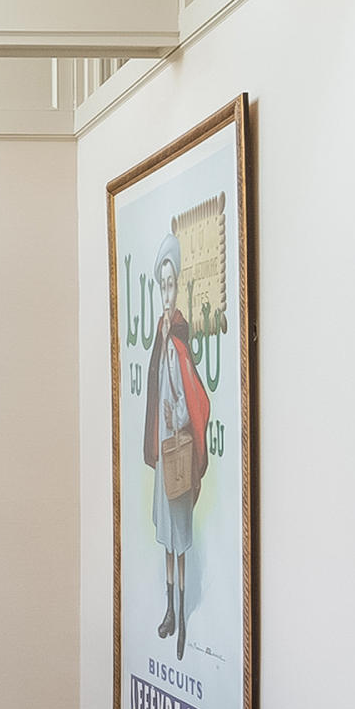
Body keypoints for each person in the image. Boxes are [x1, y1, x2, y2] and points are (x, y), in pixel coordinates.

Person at [139, 228, 211, 650]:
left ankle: (181, 614)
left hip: (178, 455)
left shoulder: (179, 338)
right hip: (163, 451)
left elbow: (191, 395)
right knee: (166, 538)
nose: (167, 292)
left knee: (180, 539)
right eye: (162, 285)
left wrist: (177, 413)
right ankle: (169, 609)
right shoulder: (160, 336)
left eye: (172, 285)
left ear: (177, 286)